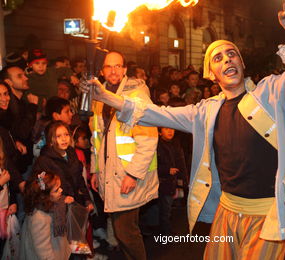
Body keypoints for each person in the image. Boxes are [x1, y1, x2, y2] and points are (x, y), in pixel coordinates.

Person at [82, 3, 285, 259]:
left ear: (241, 62)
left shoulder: (272, 93)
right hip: (226, 211)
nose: (227, 59)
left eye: (232, 54)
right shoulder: (206, 111)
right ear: (211, 73)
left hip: (268, 215)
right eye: (218, 58)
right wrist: (106, 96)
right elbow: (155, 113)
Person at [89, 51, 158, 260]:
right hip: (111, 174)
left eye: (118, 66)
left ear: (125, 69)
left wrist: (133, 174)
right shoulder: (99, 97)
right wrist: (96, 169)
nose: (113, 70)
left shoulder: (137, 95)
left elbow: (149, 140)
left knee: (126, 232)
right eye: (109, 67)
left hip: (128, 177)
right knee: (123, 232)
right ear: (102, 71)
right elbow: (96, 138)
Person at [33, 121, 93, 209]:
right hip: (57, 207)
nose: (64, 139)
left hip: (75, 204)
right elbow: (40, 183)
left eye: (66, 135)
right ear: (50, 140)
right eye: (58, 136)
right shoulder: (44, 160)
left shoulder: (71, 153)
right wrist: (60, 198)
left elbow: (79, 178)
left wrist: (87, 200)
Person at [20, 171, 71, 260]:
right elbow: (43, 250)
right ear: (45, 196)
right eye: (56, 190)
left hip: (57, 248)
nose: (61, 190)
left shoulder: (53, 204)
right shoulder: (39, 218)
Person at [157, 127, 187, 235]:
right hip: (164, 182)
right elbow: (152, 166)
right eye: (166, 129)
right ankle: (165, 234)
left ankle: (167, 230)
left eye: (172, 129)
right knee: (165, 209)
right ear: (160, 132)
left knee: (169, 208)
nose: (170, 131)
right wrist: (167, 170)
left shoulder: (175, 144)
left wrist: (184, 180)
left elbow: (181, 163)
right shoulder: (156, 145)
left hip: (174, 181)